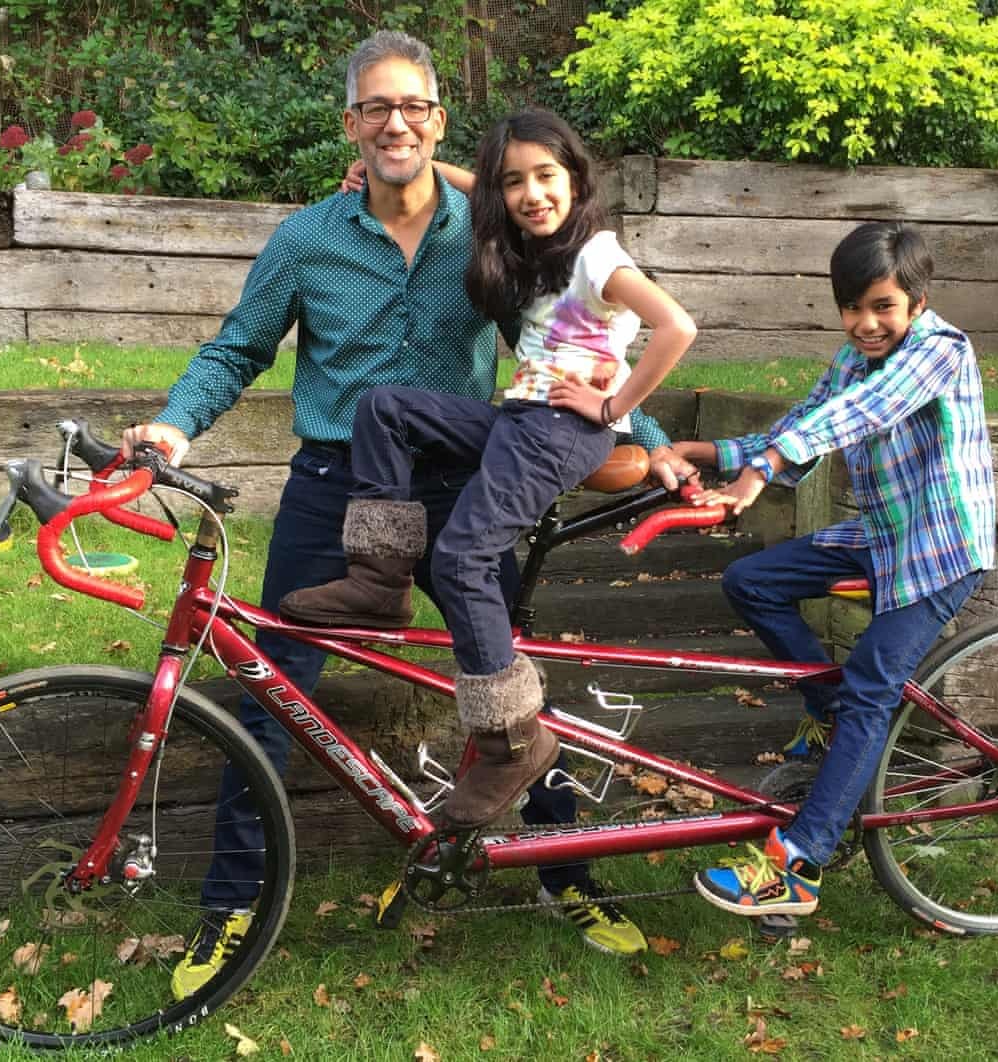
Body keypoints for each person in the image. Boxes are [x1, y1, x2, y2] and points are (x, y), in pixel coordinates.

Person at [122, 33, 694, 996]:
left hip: (466, 484)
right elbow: (237, 349)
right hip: (331, 492)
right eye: (376, 108)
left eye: (415, 108)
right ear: (351, 123)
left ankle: (567, 876)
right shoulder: (308, 237)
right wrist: (176, 430)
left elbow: (562, 332)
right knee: (268, 694)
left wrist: (645, 434)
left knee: (509, 680)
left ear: (436, 121)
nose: (396, 122)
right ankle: (228, 912)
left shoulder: (490, 229)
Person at [281, 107, 697, 830]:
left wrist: (614, 408)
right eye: (515, 182)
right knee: (384, 408)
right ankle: (379, 581)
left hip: (565, 429)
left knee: (465, 556)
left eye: (547, 177)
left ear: (576, 178)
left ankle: (511, 743)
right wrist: (407, 168)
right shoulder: (531, 240)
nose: (532, 193)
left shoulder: (597, 254)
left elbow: (677, 326)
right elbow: (479, 187)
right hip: (522, 417)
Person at [667, 221, 996, 917]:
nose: (865, 323)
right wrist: (706, 453)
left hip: (939, 549)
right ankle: (829, 713)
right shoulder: (853, 358)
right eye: (852, 307)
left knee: (875, 684)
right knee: (749, 582)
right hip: (879, 535)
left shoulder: (940, 349)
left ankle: (800, 863)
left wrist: (766, 471)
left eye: (882, 306)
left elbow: (862, 414)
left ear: (917, 299)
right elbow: (807, 420)